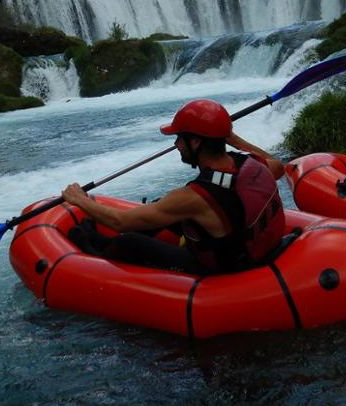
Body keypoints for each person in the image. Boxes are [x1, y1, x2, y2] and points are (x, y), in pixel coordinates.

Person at [62, 99, 286, 275]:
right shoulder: (252, 164)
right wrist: (234, 140)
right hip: (247, 246)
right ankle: (102, 242)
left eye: (180, 138)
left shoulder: (194, 197)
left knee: (129, 241)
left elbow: (121, 223)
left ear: (196, 142)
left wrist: (79, 199)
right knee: (164, 209)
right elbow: (279, 167)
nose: (176, 145)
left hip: (224, 267)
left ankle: (94, 255)